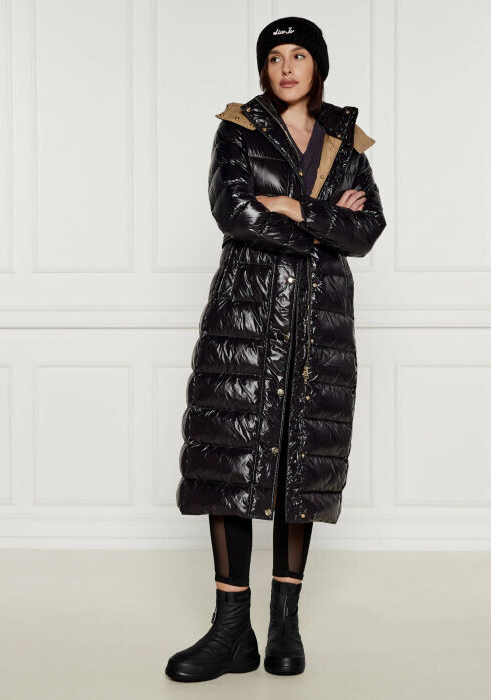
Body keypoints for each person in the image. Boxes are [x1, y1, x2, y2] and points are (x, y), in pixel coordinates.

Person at [165, 15, 386, 683]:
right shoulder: (239, 130)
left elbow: (368, 228)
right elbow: (235, 212)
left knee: (300, 464)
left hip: (320, 321)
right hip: (246, 315)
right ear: (264, 68)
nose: (286, 68)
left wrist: (296, 209)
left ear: (318, 65)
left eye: (299, 56)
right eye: (275, 57)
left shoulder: (347, 143)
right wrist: (326, 223)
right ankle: (231, 630)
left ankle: (285, 624)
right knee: (230, 458)